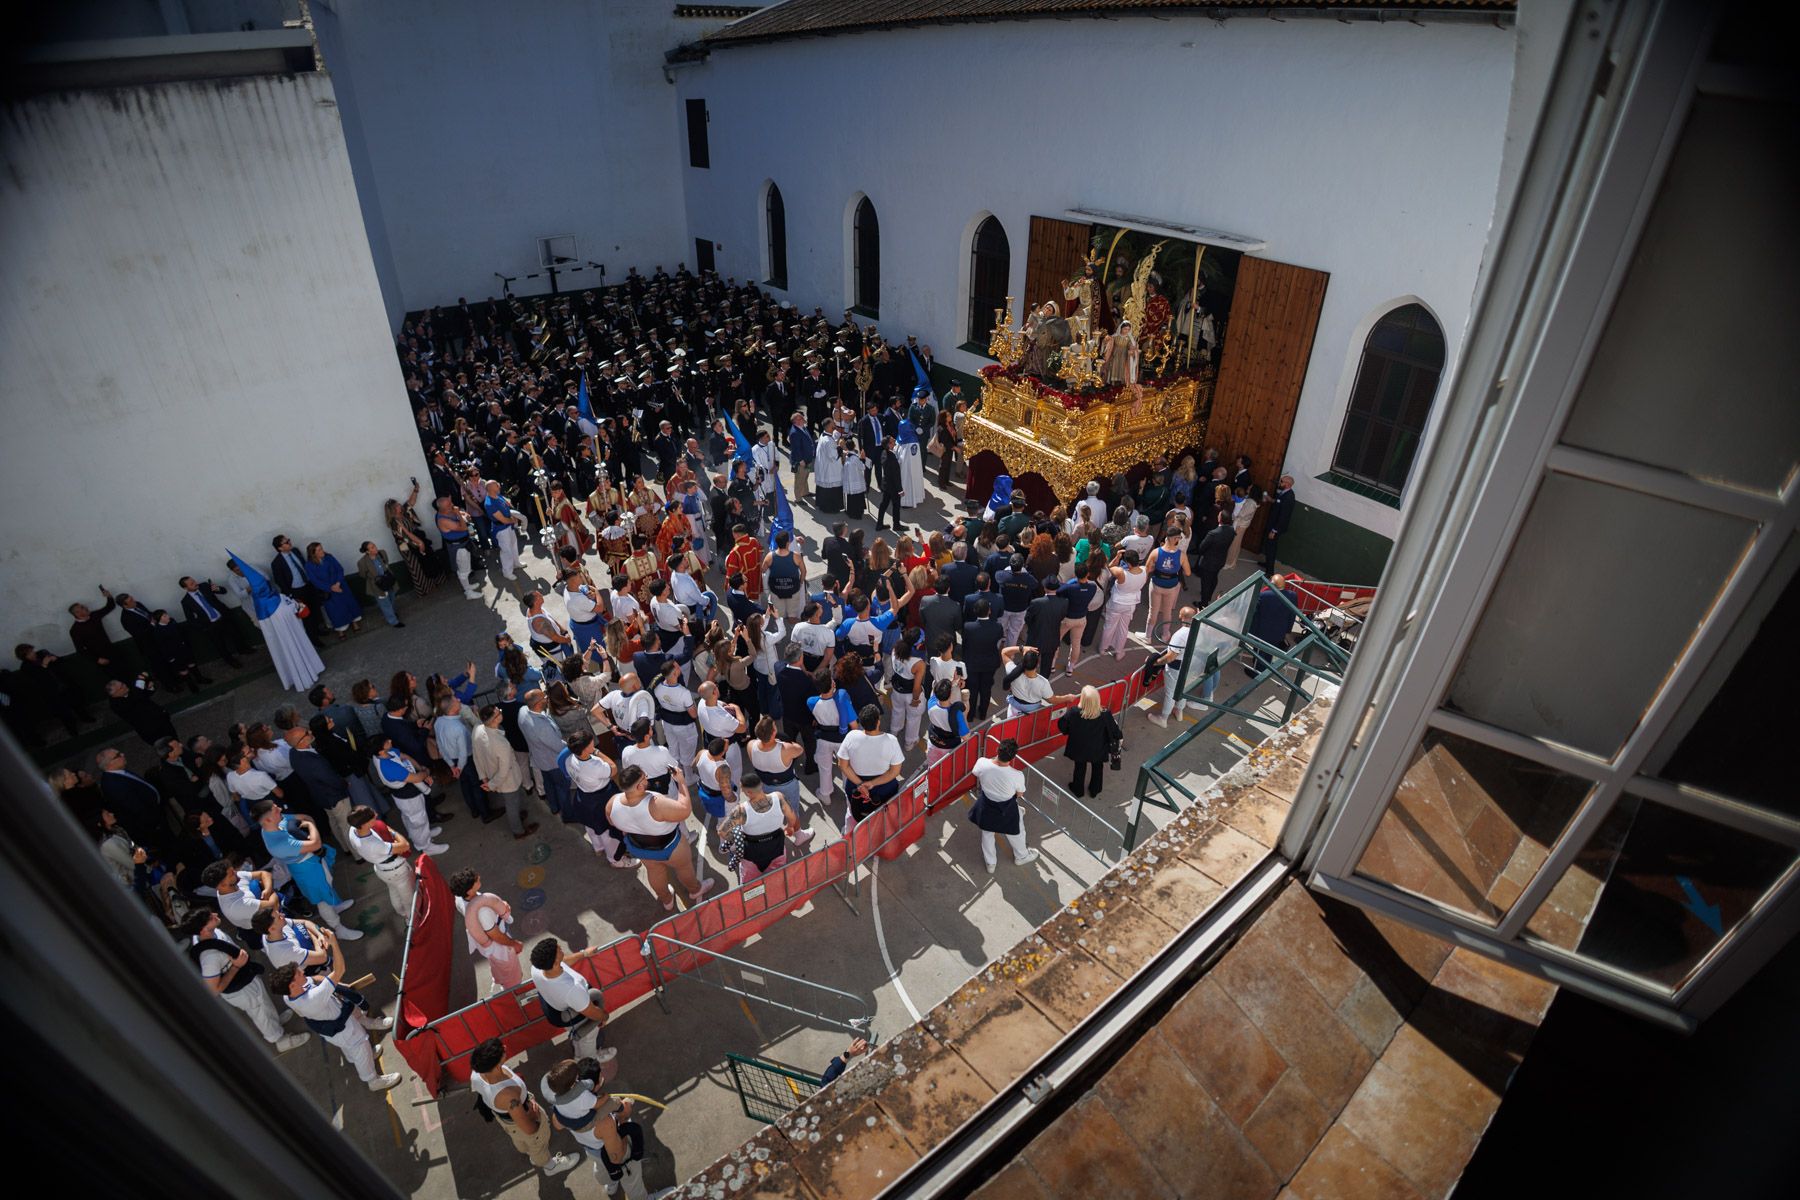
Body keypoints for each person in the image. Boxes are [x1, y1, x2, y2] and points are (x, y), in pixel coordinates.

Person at [177, 910, 309, 1054]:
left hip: (247, 977)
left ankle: (275, 1022)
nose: (215, 914)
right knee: (260, 1012)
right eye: (211, 917)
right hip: (242, 990)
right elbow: (213, 990)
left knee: (263, 1005)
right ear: (203, 929)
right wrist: (236, 966)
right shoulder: (209, 958)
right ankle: (279, 1039)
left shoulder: (212, 934)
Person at [269, 964, 401, 1091]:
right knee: (361, 1046)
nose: (302, 972)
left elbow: (313, 978)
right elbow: (339, 970)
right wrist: (333, 943)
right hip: (345, 1030)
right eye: (298, 973)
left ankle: (362, 1057)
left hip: (335, 1031)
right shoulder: (311, 999)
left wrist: (335, 984)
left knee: (351, 1050)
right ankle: (373, 1080)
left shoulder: (289, 995)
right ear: (292, 985)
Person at [606, 763, 714, 911]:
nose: (647, 779)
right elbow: (684, 811)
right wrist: (681, 781)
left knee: (654, 872)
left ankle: (666, 900)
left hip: (640, 848)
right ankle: (695, 890)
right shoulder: (655, 803)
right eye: (644, 778)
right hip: (670, 846)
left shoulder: (612, 803)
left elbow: (613, 822)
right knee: (684, 868)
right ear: (638, 786)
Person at [469, 1038, 582, 1179]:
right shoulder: (509, 1096)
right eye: (501, 1050)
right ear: (497, 1065)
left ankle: (527, 1151)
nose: (504, 1047)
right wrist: (534, 1116)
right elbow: (530, 1130)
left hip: (507, 1120)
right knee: (538, 1144)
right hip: (522, 1117)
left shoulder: (476, 1074)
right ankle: (549, 1166)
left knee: (520, 1140)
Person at [253, 799, 364, 941]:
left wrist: (310, 829)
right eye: (276, 809)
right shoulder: (279, 843)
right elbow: (316, 842)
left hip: (312, 861)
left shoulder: (276, 822)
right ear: (267, 819)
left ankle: (335, 906)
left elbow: (304, 816)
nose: (280, 809)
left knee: (328, 884)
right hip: (307, 870)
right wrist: (311, 827)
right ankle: (338, 928)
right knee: (322, 899)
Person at [541, 1057, 648, 1197]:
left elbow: (558, 1125)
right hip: (610, 1148)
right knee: (631, 1177)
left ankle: (611, 1185)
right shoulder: (605, 1123)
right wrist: (624, 1115)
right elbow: (616, 1157)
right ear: (594, 1084)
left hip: (592, 1151)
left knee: (602, 1170)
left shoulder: (562, 1111)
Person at [230, 554, 323, 691]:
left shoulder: (262, 609)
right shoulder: (277, 600)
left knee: (286, 654)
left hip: (281, 640)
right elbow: (290, 611)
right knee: (297, 651)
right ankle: (309, 670)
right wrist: (296, 605)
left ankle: (295, 677)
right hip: (292, 634)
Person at [527, 939, 619, 1064]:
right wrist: (603, 1016)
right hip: (578, 1014)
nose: (560, 947)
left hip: (564, 1010)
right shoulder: (571, 989)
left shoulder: (537, 968)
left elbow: (563, 962)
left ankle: (578, 1050)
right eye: (558, 949)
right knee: (588, 1038)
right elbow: (591, 1011)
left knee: (579, 1039)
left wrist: (584, 954)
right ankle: (591, 1059)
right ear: (554, 963)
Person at [449, 868, 526, 995]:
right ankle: (514, 994)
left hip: (488, 948)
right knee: (512, 976)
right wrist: (514, 944)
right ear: (469, 891)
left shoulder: (459, 898)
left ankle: (502, 982)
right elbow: (494, 934)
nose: (478, 877)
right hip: (500, 948)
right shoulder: (483, 911)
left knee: (499, 968)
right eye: (475, 880)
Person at [969, 738, 1039, 874]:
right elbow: (1020, 793)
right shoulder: (1017, 775)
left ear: (997, 750)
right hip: (1006, 808)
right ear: (1013, 757)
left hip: (986, 805)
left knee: (987, 833)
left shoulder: (982, 762)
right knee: (1016, 831)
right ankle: (1022, 856)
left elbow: (975, 773)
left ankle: (990, 863)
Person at [345, 804, 424, 918]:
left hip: (382, 869)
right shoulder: (373, 844)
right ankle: (411, 919)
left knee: (394, 891)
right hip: (396, 870)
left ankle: (401, 912)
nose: (376, 815)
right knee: (409, 899)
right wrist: (391, 831)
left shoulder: (353, 829)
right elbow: (405, 846)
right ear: (364, 824)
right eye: (373, 817)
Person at [372, 733, 446, 853]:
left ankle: (421, 835)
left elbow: (404, 756)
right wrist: (426, 772)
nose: (390, 740)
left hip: (403, 794)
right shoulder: (389, 767)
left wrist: (420, 767)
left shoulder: (382, 754)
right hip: (408, 796)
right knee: (418, 819)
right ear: (380, 750)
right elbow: (416, 778)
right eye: (386, 742)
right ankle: (424, 846)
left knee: (410, 818)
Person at [474, 703, 538, 839]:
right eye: (499, 712)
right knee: (512, 805)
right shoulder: (501, 744)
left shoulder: (477, 729)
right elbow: (504, 771)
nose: (501, 712)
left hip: (493, 776)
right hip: (507, 780)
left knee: (512, 802)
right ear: (495, 719)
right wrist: (491, 785)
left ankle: (518, 816)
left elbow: (476, 755)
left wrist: (483, 777)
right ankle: (519, 831)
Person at [836, 703, 904, 827]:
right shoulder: (891, 741)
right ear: (878, 722)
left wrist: (860, 784)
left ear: (861, 722)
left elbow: (843, 765)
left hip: (855, 786)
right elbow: (895, 772)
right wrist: (872, 784)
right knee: (884, 816)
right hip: (884, 788)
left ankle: (849, 837)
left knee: (852, 813)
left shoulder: (851, 736)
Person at [1058, 686, 1122, 799]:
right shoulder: (1105, 714)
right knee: (1098, 768)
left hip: (1079, 748)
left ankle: (1078, 790)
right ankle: (1095, 790)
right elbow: (1115, 732)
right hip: (1098, 748)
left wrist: (1070, 731)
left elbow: (1062, 726)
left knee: (1079, 767)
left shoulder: (1074, 712)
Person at [179, 575, 250, 667]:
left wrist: (218, 589)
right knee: (220, 645)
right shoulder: (186, 601)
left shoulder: (204, 586)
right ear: (185, 588)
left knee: (235, 634)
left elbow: (224, 591)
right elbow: (190, 619)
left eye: (194, 581)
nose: (195, 583)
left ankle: (243, 650)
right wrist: (204, 627)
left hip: (223, 617)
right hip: (210, 625)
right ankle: (230, 661)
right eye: (191, 584)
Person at [303, 542, 363, 639]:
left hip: (340, 586)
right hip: (328, 591)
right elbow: (315, 581)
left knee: (348, 604)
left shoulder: (329, 557)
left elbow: (339, 569)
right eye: (319, 550)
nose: (322, 551)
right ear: (313, 553)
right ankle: (340, 630)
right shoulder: (309, 566)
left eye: (321, 548)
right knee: (335, 611)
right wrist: (330, 587)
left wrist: (338, 583)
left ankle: (354, 622)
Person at [1099, 550, 1148, 657]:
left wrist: (1117, 556)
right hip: (1131, 604)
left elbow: (1109, 567)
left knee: (1109, 626)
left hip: (1117, 603)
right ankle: (1119, 651)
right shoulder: (1145, 570)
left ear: (1128, 563)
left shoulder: (1121, 572)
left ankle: (1103, 649)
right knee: (1124, 628)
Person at [1144, 527, 1191, 641]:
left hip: (1156, 584)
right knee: (1167, 611)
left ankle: (1148, 636)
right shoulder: (1182, 555)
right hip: (1171, 586)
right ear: (1176, 539)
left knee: (1153, 610)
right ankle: (1165, 635)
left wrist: (1158, 568)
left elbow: (1147, 569)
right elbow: (1188, 573)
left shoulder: (1156, 552)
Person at [435, 495, 482, 599]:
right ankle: (468, 592)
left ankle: (468, 586)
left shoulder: (448, 511)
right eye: (449, 505)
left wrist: (464, 514)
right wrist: (459, 515)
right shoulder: (443, 520)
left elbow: (461, 513)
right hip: (458, 547)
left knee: (467, 567)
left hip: (464, 544)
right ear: (443, 508)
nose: (452, 505)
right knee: (463, 571)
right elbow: (463, 527)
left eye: (450, 502)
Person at [355, 542, 405, 629]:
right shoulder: (362, 562)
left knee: (392, 597)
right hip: (377, 585)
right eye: (372, 547)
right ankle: (393, 621)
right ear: (367, 551)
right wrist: (373, 577)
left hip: (388, 580)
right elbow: (362, 575)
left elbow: (386, 563)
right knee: (384, 603)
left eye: (374, 545)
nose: (375, 548)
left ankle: (392, 612)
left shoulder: (382, 553)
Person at [924, 679, 970, 770]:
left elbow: (935, 692)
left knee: (932, 768)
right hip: (949, 748)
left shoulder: (931, 703)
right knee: (948, 770)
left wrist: (952, 683)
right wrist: (965, 714)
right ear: (950, 695)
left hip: (933, 742)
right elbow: (966, 737)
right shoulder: (957, 714)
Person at [1194, 511, 1235, 607]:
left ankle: (1203, 603)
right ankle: (1208, 596)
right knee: (1214, 578)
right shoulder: (1231, 531)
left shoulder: (1213, 533)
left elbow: (1201, 548)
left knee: (1206, 582)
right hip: (1220, 560)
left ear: (1220, 519)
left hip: (1209, 562)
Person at [1260, 475, 1297, 575]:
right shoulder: (1283, 493)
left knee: (1271, 548)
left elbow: (1283, 516)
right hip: (1272, 523)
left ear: (1288, 484)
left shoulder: (1289, 497)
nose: (1279, 483)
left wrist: (1274, 530)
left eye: (1281, 482)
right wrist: (1271, 499)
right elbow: (1278, 502)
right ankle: (1267, 564)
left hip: (1276, 527)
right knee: (1268, 546)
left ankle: (1269, 571)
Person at [874, 435, 904, 530]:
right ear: (889, 445)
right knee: (896, 505)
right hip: (893, 487)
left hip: (886, 484)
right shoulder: (892, 458)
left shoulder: (883, 453)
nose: (894, 441)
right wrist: (900, 490)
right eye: (892, 441)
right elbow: (896, 476)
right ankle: (896, 525)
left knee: (884, 504)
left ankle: (879, 524)